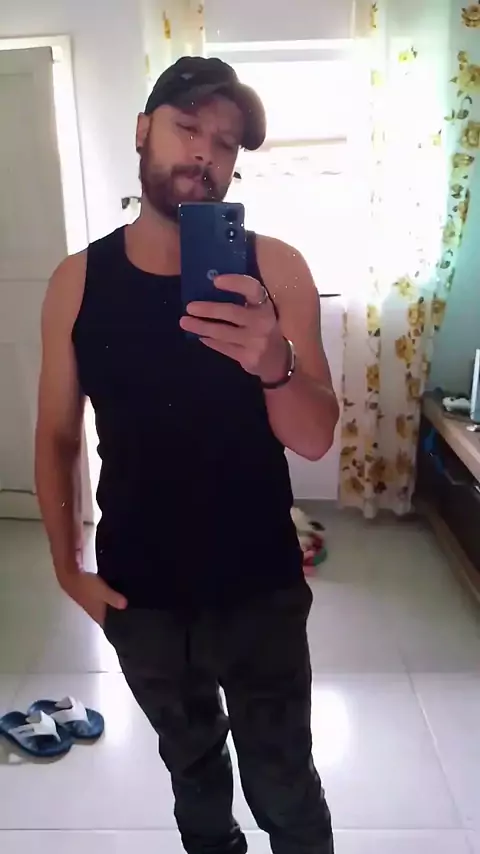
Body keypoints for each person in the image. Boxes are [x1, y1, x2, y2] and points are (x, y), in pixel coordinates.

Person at [35, 56, 339, 854]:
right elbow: (57, 436)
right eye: (187, 127)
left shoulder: (276, 269)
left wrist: (274, 362)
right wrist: (67, 568)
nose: (206, 152)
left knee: (285, 783)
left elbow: (314, 436)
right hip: (142, 595)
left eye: (226, 143)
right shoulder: (77, 282)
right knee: (194, 776)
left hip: (259, 586)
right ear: (143, 131)